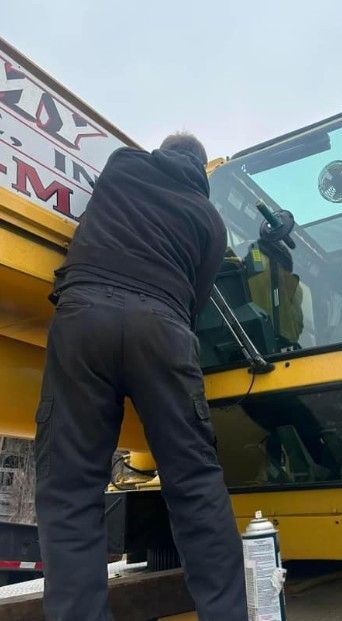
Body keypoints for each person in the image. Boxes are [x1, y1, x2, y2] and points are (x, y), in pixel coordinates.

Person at [34, 133, 248, 621]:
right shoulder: (210, 223)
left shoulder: (124, 165)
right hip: (164, 329)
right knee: (194, 482)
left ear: (163, 151)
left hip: (83, 317)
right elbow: (194, 303)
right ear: (201, 173)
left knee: (69, 490)